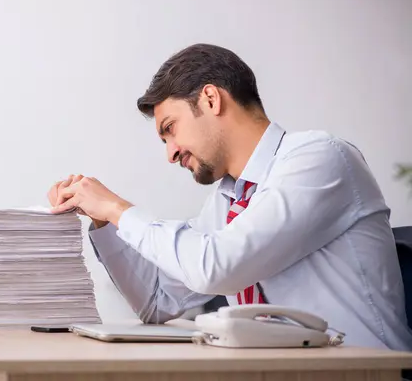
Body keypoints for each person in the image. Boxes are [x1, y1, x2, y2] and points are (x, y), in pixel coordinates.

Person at [46, 43, 412, 351]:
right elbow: (159, 303)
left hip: (362, 371)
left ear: (210, 99)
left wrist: (118, 208)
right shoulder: (229, 199)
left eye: (170, 129)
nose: (170, 153)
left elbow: (214, 268)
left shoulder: (320, 158)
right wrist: (103, 220)